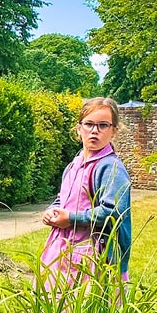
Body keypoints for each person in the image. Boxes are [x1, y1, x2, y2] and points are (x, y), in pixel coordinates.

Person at [40, 97, 132, 286]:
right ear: (79, 128)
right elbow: (62, 199)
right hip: (61, 250)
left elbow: (113, 213)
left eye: (103, 125)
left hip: (94, 256)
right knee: (54, 309)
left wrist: (72, 218)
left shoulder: (110, 168)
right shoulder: (74, 165)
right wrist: (53, 210)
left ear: (114, 130)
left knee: (85, 310)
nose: (94, 131)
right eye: (89, 124)